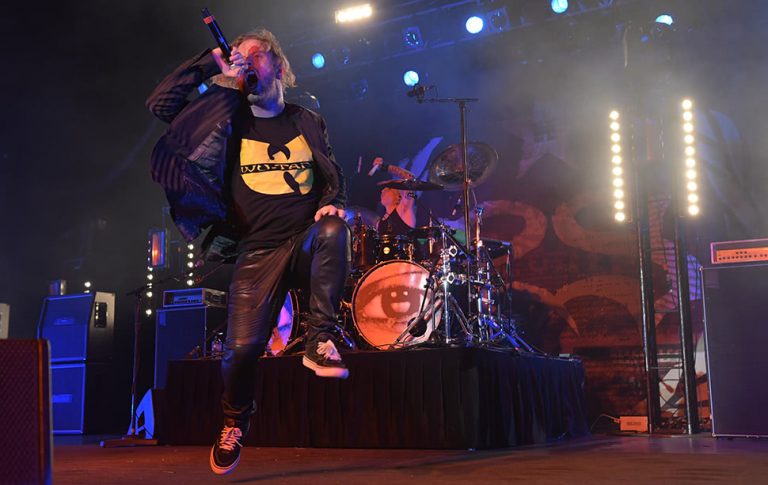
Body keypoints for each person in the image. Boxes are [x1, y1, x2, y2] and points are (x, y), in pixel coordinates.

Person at [146, 29, 350, 475]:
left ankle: (320, 340)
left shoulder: (306, 119)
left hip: (305, 239)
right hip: (256, 251)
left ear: (277, 64)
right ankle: (235, 419)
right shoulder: (229, 120)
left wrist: (332, 200)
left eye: (254, 56)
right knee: (240, 351)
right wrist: (210, 65)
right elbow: (162, 107)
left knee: (335, 228)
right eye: (237, 58)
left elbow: (332, 174)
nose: (244, 63)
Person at [372, 157, 417, 235]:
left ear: (398, 196)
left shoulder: (404, 210)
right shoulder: (379, 223)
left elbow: (410, 179)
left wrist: (385, 167)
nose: (383, 190)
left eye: (388, 188)